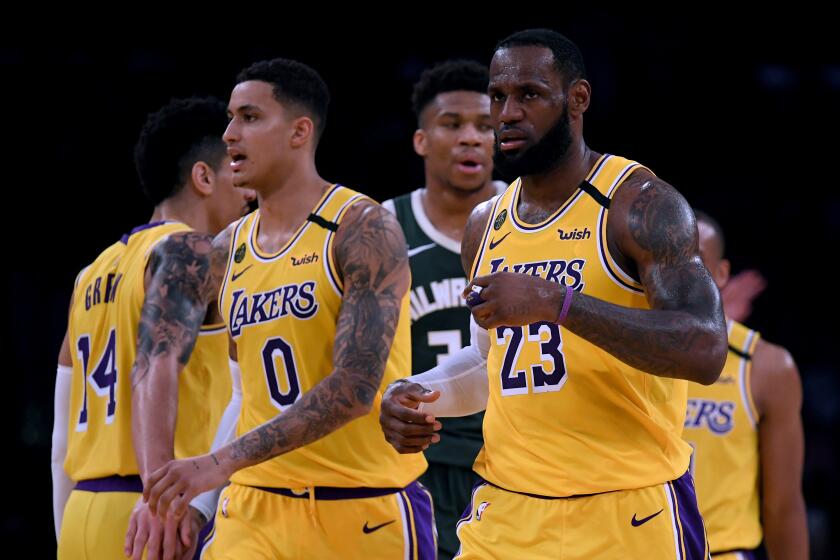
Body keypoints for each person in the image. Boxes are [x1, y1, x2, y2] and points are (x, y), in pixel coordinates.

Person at [379, 29, 728, 559]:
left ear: (578, 99)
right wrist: (416, 392)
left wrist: (561, 304)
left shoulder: (638, 202)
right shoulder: (485, 225)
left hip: (628, 513)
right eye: (499, 97)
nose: (508, 113)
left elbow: (705, 348)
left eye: (530, 95)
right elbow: (487, 362)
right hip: (508, 513)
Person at [141, 58, 434, 559]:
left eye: (250, 117)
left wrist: (218, 461)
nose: (230, 133)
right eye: (230, 118)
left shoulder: (361, 227)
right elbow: (223, 386)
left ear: (300, 131)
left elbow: (356, 388)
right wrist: (170, 495)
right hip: (254, 510)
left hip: (363, 509)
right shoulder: (227, 248)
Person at [51, 97, 253, 559]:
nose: (248, 192)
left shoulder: (91, 273)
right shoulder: (193, 251)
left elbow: (62, 431)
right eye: (235, 171)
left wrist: (70, 531)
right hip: (157, 512)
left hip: (85, 511)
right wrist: (160, 502)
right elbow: (154, 367)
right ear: (203, 177)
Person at [381, 58, 503, 559]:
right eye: (452, 125)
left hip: (507, 456)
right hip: (413, 459)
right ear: (421, 140)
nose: (470, 138)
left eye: (484, 127)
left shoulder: (525, 221)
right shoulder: (384, 228)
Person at [684, 210, 808, 559]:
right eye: (667, 259)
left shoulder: (764, 366)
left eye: (694, 261)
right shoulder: (623, 351)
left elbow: (783, 508)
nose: (677, 274)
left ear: (722, 273)